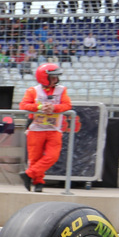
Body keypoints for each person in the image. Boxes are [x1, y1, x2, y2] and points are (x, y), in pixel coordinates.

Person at [18, 63, 72, 193]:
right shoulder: (33, 91)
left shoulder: (61, 90)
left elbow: (67, 105)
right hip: (35, 129)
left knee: (52, 156)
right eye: (53, 77)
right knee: (34, 158)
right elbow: (23, 105)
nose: (56, 79)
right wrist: (39, 107)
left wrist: (54, 108)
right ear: (44, 77)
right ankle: (38, 183)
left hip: (54, 129)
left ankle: (28, 174)